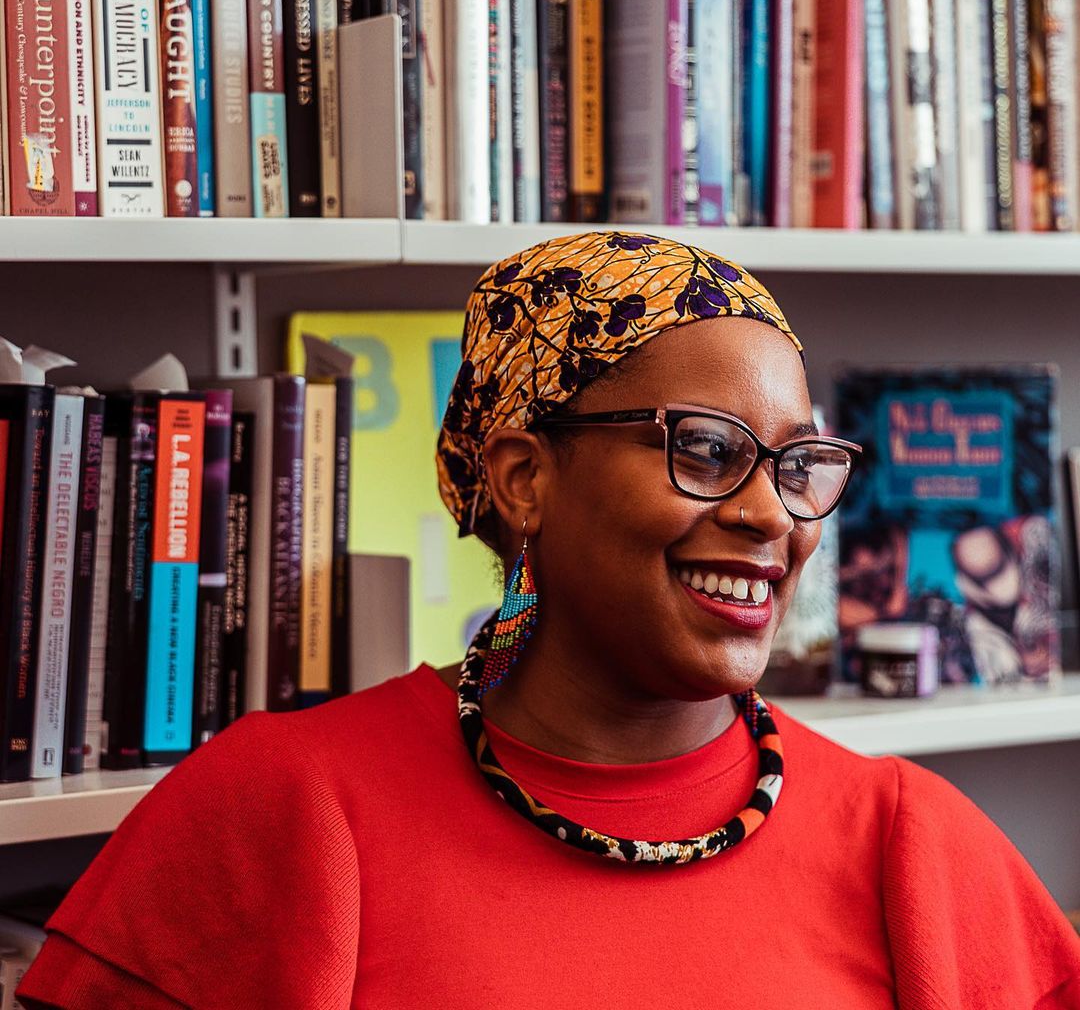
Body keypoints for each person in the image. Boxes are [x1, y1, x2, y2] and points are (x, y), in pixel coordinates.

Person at [18, 231, 1080, 1008]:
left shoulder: (915, 845)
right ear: (525, 480)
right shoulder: (285, 808)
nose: (771, 515)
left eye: (798, 464)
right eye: (705, 449)